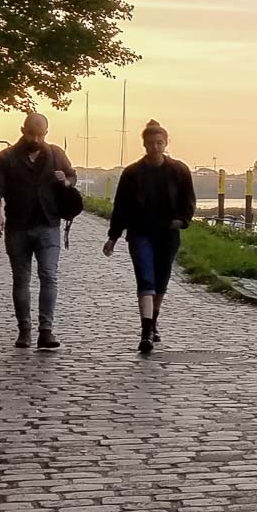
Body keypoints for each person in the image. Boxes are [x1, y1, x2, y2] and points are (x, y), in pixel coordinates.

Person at [0, 112, 78, 350]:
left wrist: (66, 181)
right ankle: (24, 330)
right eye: (31, 134)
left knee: (48, 275)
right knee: (22, 279)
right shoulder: (5, 158)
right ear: (22, 130)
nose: (36, 139)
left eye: (41, 134)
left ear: (46, 133)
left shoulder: (56, 154)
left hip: (49, 225)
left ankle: (46, 330)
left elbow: (72, 176)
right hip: (18, 226)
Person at [104, 120, 195, 355]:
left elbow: (188, 201)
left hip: (168, 233)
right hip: (140, 232)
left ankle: (153, 320)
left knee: (161, 280)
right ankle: (146, 332)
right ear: (144, 144)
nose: (155, 147)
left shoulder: (179, 171)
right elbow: (121, 206)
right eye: (151, 143)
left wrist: (182, 220)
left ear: (166, 143)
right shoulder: (133, 173)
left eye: (159, 143)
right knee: (145, 278)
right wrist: (113, 237)